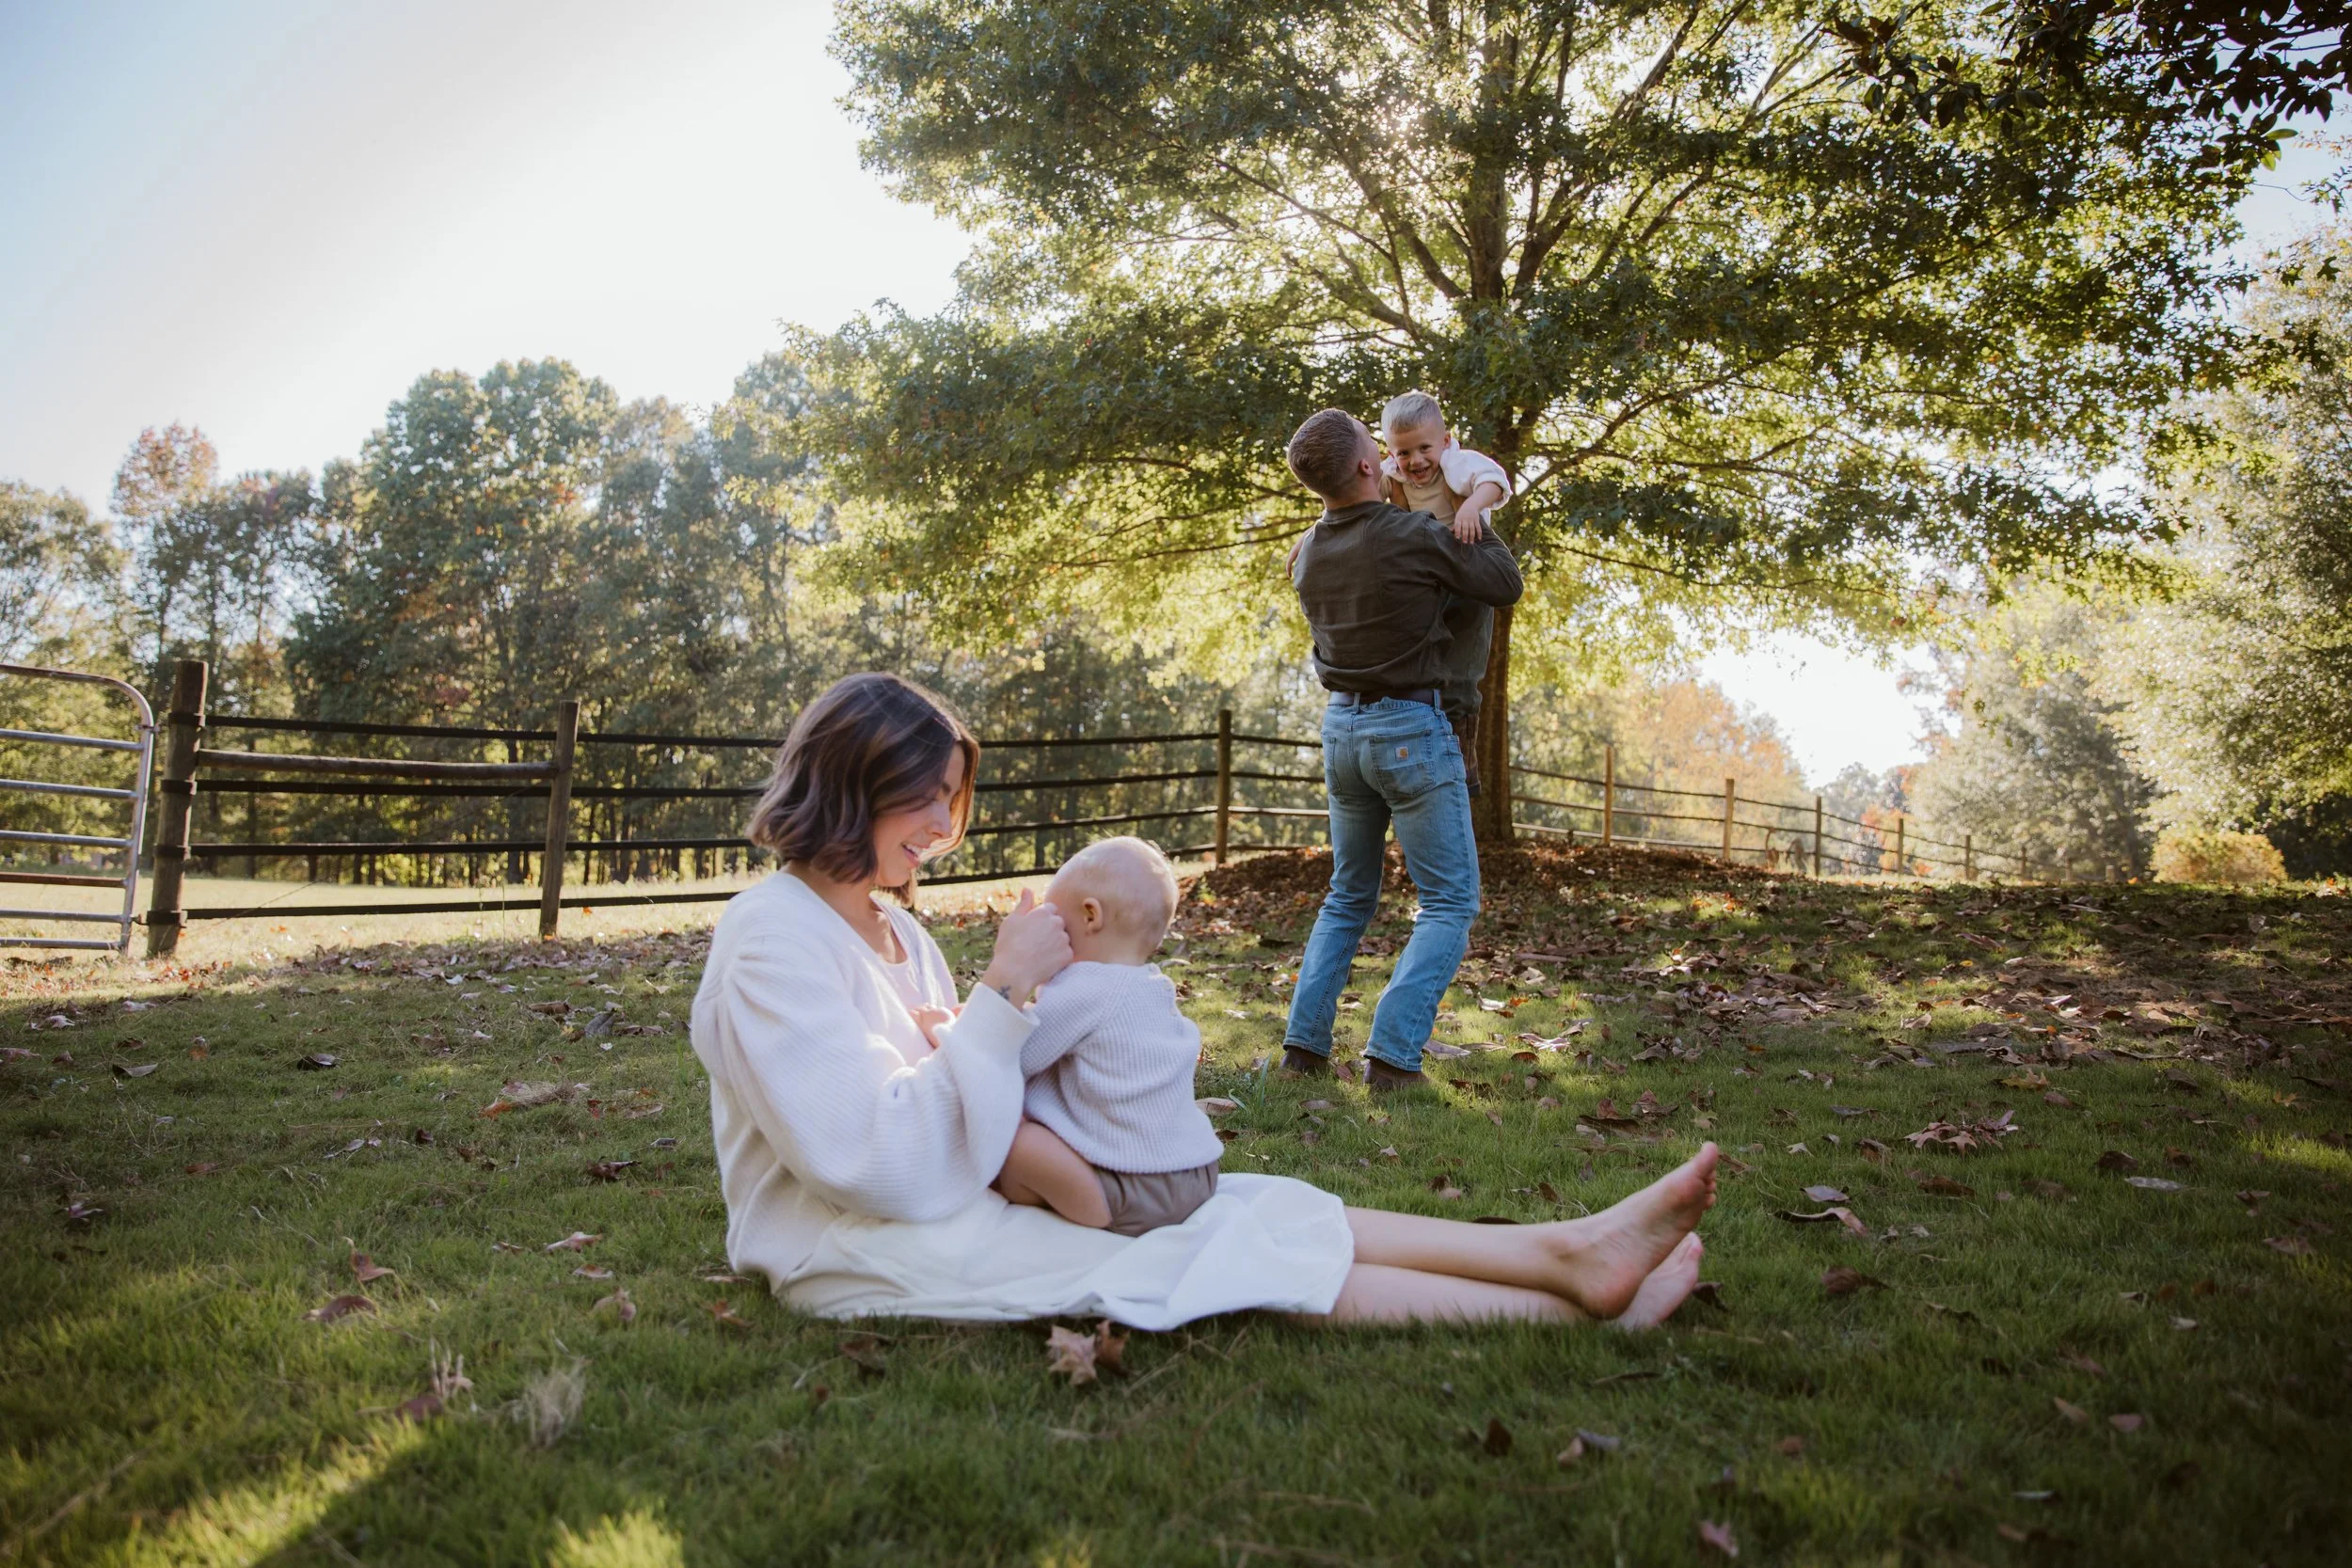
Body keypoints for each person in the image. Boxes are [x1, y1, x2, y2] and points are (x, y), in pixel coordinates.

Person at [691, 672, 1717, 1326]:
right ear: (847, 785)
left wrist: (1000, 1026)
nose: (944, 829)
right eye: (923, 801)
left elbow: (966, 1088)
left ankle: (1560, 1251)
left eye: (950, 803)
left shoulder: (896, 928)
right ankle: (1574, 1312)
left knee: (1245, 1201)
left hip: (951, 1198)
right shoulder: (769, 939)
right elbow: (886, 1164)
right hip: (856, 1244)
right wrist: (1004, 989)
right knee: (1205, 1252)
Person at [1279, 407, 1521, 1091]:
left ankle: (1304, 1049)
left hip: (1341, 734)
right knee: (1449, 901)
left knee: (1347, 895)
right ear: (1365, 465)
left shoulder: (1308, 555)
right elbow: (1504, 583)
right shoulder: (1412, 534)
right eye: (1376, 446)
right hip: (1410, 731)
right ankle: (1391, 1056)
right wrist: (1476, 506)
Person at [987, 836, 1224, 1237]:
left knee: (1013, 1147)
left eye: (1052, 919)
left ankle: (1078, 1214)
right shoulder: (1151, 986)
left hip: (1135, 1188)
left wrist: (955, 1023)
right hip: (1198, 1174)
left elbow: (1004, 1052)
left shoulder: (1085, 987)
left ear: (1089, 916)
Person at [1376, 390, 1512, 796]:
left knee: (1465, 665)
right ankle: (1417, 744)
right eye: (1404, 453)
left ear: (1446, 441)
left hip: (1468, 567)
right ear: (1391, 452)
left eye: (1424, 448)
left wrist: (1471, 507)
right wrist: (1312, 533)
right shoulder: (1394, 473)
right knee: (1426, 658)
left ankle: (1464, 758)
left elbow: (1494, 480)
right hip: (1431, 575)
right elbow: (1351, 502)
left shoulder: (1457, 463)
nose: (1416, 461)